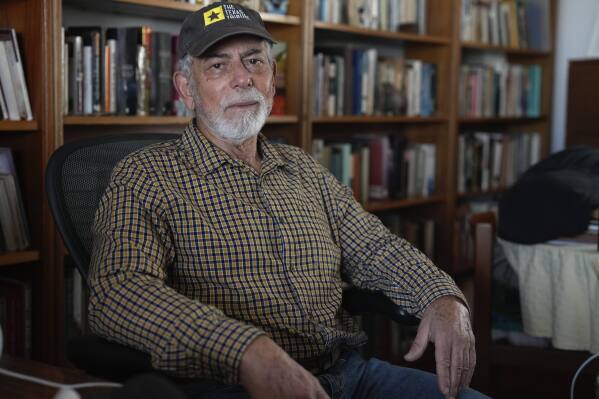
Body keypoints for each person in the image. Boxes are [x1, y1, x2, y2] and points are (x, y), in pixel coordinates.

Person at [88, 2, 489, 398]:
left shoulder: (302, 167)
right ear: (185, 90)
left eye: (254, 61)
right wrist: (246, 349)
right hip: (236, 386)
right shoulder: (145, 176)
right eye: (217, 66)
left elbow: (375, 248)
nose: (242, 78)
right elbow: (118, 292)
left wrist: (441, 295)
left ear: (272, 78)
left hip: (350, 376)